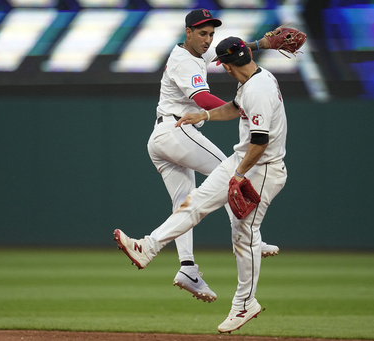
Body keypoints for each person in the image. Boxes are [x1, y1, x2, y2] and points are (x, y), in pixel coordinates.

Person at [115, 36, 288, 333]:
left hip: (261, 169)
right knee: (193, 202)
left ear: (232, 65)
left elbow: (261, 142)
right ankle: (148, 247)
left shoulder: (258, 89)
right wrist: (205, 114)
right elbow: (235, 107)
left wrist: (238, 175)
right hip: (243, 160)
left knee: (242, 234)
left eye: (224, 66)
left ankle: (245, 302)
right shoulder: (255, 79)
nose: (224, 70)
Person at [146, 8, 279, 303]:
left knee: (184, 203)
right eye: (202, 33)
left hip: (163, 138)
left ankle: (188, 268)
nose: (208, 40)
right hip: (175, 131)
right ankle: (250, 239)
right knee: (229, 174)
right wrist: (244, 107)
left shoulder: (194, 53)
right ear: (188, 33)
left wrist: (260, 45)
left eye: (211, 34)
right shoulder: (184, 62)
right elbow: (203, 99)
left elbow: (223, 54)